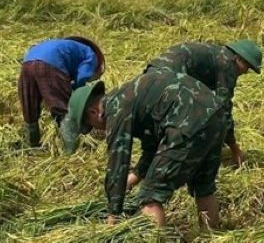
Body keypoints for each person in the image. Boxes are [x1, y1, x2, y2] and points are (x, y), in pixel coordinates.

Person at [61, 71, 226, 229]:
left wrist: (113, 214)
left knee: (149, 196)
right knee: (203, 185)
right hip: (216, 114)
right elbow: (152, 147)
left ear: (93, 112)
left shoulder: (116, 109)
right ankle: (210, 235)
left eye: (91, 125)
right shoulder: (130, 97)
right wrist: (134, 177)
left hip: (186, 123)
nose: (98, 130)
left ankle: (155, 237)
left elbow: (117, 164)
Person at [145, 39, 262, 167]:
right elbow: (223, 109)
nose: (245, 72)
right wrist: (234, 148)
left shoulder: (217, 53)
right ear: (239, 59)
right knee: (183, 125)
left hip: (153, 73)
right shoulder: (228, 64)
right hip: (169, 79)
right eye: (248, 67)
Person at [17, 36, 104, 147]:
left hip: (28, 61)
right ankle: (71, 147)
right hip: (52, 63)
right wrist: (78, 95)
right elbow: (82, 77)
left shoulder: (67, 46)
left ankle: (31, 144)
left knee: (29, 105)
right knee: (63, 108)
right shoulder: (92, 56)